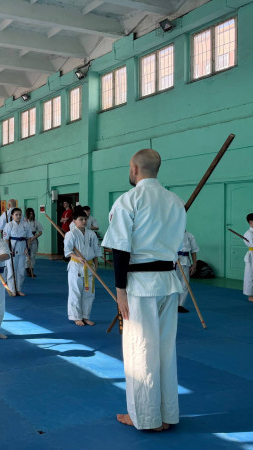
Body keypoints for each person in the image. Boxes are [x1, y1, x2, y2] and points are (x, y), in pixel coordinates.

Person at [102, 148, 186, 431]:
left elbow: (120, 249)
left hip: (140, 287)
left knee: (140, 351)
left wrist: (120, 291)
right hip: (168, 283)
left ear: (135, 169)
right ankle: (167, 414)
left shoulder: (128, 200)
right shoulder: (175, 202)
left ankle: (146, 418)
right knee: (164, 350)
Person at [64, 207, 102, 326]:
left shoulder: (91, 234)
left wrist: (96, 264)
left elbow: (96, 251)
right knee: (76, 292)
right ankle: (76, 317)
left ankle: (86, 316)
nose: (84, 221)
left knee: (89, 293)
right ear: (74, 221)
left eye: (85, 219)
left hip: (89, 266)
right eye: (81, 219)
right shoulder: (71, 234)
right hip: (76, 266)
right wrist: (77, 257)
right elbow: (68, 251)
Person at [3, 208, 32, 296]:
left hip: (23, 249)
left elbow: (29, 237)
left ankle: (18, 289)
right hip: (12, 249)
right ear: (12, 216)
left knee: (21, 270)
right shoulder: (9, 225)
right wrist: (9, 249)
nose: (18, 216)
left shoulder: (26, 225)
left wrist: (27, 248)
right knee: (12, 270)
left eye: (20, 214)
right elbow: (6, 239)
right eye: (16, 214)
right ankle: (12, 290)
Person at [177, 230, 199, 313]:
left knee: (185, 285)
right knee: (173, 284)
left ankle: (180, 305)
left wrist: (194, 264)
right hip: (174, 262)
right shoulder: (171, 233)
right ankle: (171, 305)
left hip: (185, 262)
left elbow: (193, 251)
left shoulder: (190, 236)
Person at [25, 207, 43, 277]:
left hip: (34, 240)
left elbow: (40, 232)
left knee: (32, 256)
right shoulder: (24, 222)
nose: (31, 215)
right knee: (27, 256)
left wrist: (34, 237)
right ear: (27, 214)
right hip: (26, 240)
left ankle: (31, 270)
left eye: (32, 214)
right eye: (30, 214)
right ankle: (27, 270)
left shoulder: (36, 222)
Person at [243, 213, 253, 302]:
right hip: (252, 255)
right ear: (250, 222)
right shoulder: (248, 233)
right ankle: (250, 295)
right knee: (250, 275)